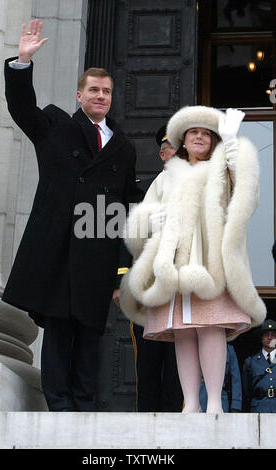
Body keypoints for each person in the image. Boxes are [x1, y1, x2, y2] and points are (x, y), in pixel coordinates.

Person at [1, 19, 140, 412]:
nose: (101, 96)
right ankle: (59, 406)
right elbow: (22, 108)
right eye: (94, 90)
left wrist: (121, 270)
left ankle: (85, 406)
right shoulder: (56, 126)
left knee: (91, 331)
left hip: (98, 249)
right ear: (79, 94)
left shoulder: (124, 148)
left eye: (107, 91)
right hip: (59, 247)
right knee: (60, 329)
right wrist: (23, 62)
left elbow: (125, 205)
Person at [120, 105, 266, 414]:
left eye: (206, 133)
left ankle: (212, 401)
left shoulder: (222, 169)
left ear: (213, 140)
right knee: (182, 332)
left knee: (210, 327)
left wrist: (232, 145)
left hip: (212, 266)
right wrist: (150, 219)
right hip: (173, 266)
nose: (199, 137)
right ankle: (190, 405)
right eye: (193, 133)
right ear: (183, 141)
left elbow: (246, 195)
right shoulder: (167, 177)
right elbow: (140, 221)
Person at [128, 127, 183, 412]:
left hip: (181, 288)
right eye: (172, 148)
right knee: (147, 359)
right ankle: (145, 418)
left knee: (178, 360)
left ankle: (176, 419)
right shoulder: (141, 189)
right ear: (163, 154)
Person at [242, 319, 276, 412]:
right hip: (259, 409)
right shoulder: (250, 362)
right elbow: (246, 391)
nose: (269, 337)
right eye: (266, 334)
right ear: (261, 337)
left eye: (273, 335)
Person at [199, 344, 242, 412]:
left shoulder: (228, 349)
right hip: (199, 396)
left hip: (221, 397)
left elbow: (235, 379)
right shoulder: (196, 346)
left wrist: (236, 405)